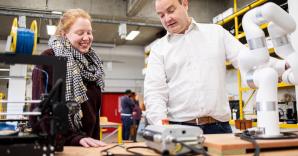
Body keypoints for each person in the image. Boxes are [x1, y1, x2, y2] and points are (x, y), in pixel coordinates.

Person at [144, 0, 247, 134]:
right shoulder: (159, 50)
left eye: (171, 10)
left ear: (185, 4)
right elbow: (154, 92)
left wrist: (281, 66)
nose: (167, 19)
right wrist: (161, 126)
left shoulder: (216, 33)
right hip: (179, 129)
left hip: (219, 128)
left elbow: (246, 59)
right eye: (161, 15)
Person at [32, 8, 106, 147]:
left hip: (88, 145)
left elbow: (94, 116)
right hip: (59, 145)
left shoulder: (93, 65)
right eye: (80, 33)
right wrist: (74, 139)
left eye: (89, 32)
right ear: (64, 34)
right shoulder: (48, 60)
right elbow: (40, 112)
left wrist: (96, 145)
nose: (86, 38)